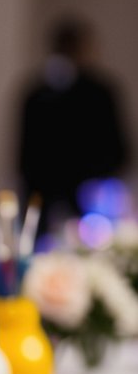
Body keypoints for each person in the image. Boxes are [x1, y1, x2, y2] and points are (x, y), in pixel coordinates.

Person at [17, 15, 131, 237]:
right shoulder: (39, 94)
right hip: (52, 200)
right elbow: (25, 156)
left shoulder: (99, 92)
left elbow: (119, 151)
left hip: (88, 202)